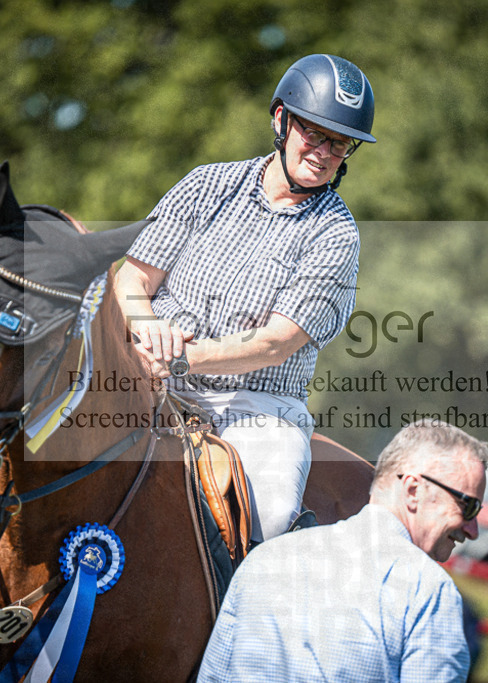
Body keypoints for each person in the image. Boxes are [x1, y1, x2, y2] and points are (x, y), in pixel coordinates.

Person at [114, 54, 376, 542]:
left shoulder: (337, 235)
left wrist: (181, 358)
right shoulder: (206, 184)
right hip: (146, 368)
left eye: (339, 143)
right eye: (314, 133)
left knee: (271, 511)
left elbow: (276, 343)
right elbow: (131, 280)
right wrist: (148, 331)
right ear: (281, 120)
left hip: (257, 405)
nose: (323, 152)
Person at [197, 419, 488, 682]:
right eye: (468, 506)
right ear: (413, 490)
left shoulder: (264, 559)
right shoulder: (430, 591)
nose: (473, 530)